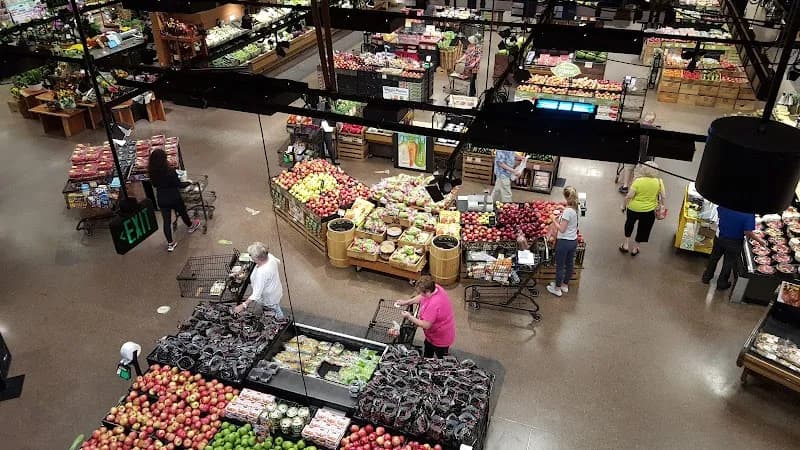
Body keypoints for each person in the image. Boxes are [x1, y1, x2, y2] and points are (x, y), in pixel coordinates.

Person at [147, 148, 200, 252]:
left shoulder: (152, 172)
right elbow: (179, 185)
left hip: (162, 198)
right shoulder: (170, 171)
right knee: (183, 212)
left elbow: (154, 184)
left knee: (166, 221)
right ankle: (190, 226)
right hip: (174, 197)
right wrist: (189, 182)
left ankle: (170, 243)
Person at [702, 207, 766, 290]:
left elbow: (719, 212)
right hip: (734, 241)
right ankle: (721, 284)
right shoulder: (749, 213)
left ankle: (706, 277)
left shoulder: (728, 204)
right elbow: (748, 232)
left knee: (714, 258)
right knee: (728, 263)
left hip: (720, 236)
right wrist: (760, 241)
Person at [395, 276, 455, 358]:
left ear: (427, 292)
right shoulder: (435, 287)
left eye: (421, 292)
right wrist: (406, 302)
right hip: (432, 335)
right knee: (428, 349)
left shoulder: (433, 304)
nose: (420, 294)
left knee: (441, 358)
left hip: (440, 337)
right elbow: (421, 297)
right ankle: (427, 358)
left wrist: (409, 316)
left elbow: (426, 325)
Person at [620, 161, 664, 256]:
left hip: (633, 209)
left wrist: (623, 206)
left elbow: (629, 196)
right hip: (649, 211)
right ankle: (635, 249)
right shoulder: (659, 182)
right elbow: (663, 196)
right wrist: (661, 206)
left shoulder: (638, 181)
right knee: (643, 229)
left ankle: (626, 245)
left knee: (629, 224)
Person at [234, 242, 285, 318]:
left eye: (251, 255)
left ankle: (281, 320)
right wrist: (241, 270)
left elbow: (256, 294)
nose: (250, 256)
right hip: (274, 290)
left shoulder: (262, 273)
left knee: (274, 309)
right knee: (273, 307)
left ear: (257, 258)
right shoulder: (269, 257)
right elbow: (278, 261)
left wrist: (243, 305)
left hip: (269, 298)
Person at [546, 186, 580, 297]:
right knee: (569, 264)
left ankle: (557, 289)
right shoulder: (576, 208)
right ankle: (564, 285)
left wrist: (553, 218)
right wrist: (563, 209)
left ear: (565, 197)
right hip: (573, 241)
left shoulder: (567, 212)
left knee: (560, 266)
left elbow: (561, 229)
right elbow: (570, 219)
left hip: (564, 242)